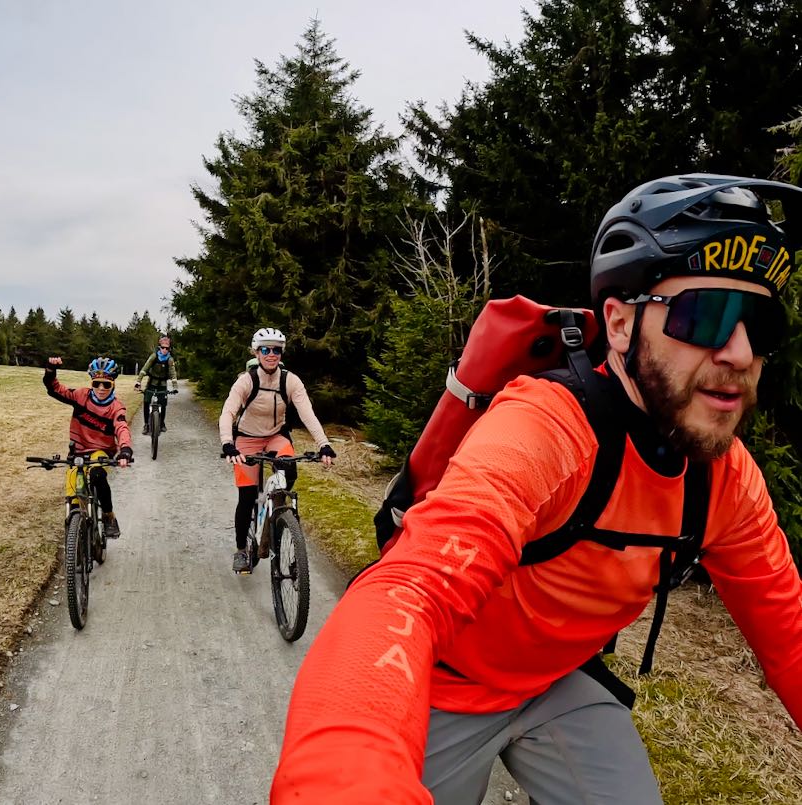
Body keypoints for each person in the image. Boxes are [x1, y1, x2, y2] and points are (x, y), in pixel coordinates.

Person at [271, 175, 802, 804]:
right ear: (621, 323)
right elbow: (406, 591)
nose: (740, 352)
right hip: (447, 685)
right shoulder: (545, 429)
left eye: (760, 323)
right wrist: (344, 778)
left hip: (557, 682)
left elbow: (789, 633)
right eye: (705, 315)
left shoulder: (726, 479)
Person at [219, 327, 337, 573]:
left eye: (276, 350)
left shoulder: (290, 380)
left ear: (281, 353)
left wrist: (323, 444)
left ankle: (278, 518)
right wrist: (227, 443)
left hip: (275, 436)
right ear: (256, 352)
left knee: (288, 473)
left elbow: (308, 415)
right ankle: (242, 550)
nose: (271, 354)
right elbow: (228, 411)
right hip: (246, 440)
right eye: (265, 349)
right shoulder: (247, 380)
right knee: (247, 497)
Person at [43, 356, 133, 538]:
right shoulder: (80, 396)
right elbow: (54, 389)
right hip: (77, 450)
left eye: (106, 385)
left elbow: (122, 428)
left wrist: (125, 449)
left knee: (97, 474)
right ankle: (75, 534)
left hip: (100, 451)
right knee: (73, 495)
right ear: (92, 383)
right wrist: (51, 370)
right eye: (97, 383)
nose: (101, 389)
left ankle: (108, 516)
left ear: (113, 385)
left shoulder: (116, 407)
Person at [134, 335, 179, 434]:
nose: (164, 350)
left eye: (167, 348)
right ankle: (146, 424)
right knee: (146, 401)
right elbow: (145, 368)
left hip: (162, 383)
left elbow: (173, 373)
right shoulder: (154, 356)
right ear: (159, 347)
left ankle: (162, 423)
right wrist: (138, 381)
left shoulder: (170, 360)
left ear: (169, 349)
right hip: (152, 382)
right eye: (163, 348)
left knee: (163, 403)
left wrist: (175, 387)